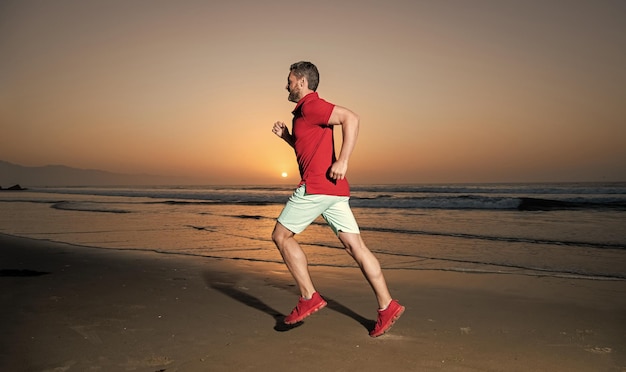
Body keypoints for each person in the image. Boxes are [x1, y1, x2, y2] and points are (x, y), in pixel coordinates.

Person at [271, 61, 404, 337]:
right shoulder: (305, 114)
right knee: (356, 247)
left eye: (290, 80)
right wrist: (287, 138)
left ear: (302, 82)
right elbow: (309, 148)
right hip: (335, 191)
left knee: (281, 236)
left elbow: (351, 118)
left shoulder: (311, 106)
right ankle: (387, 305)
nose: (287, 84)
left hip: (317, 188)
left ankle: (309, 296)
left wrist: (343, 160)